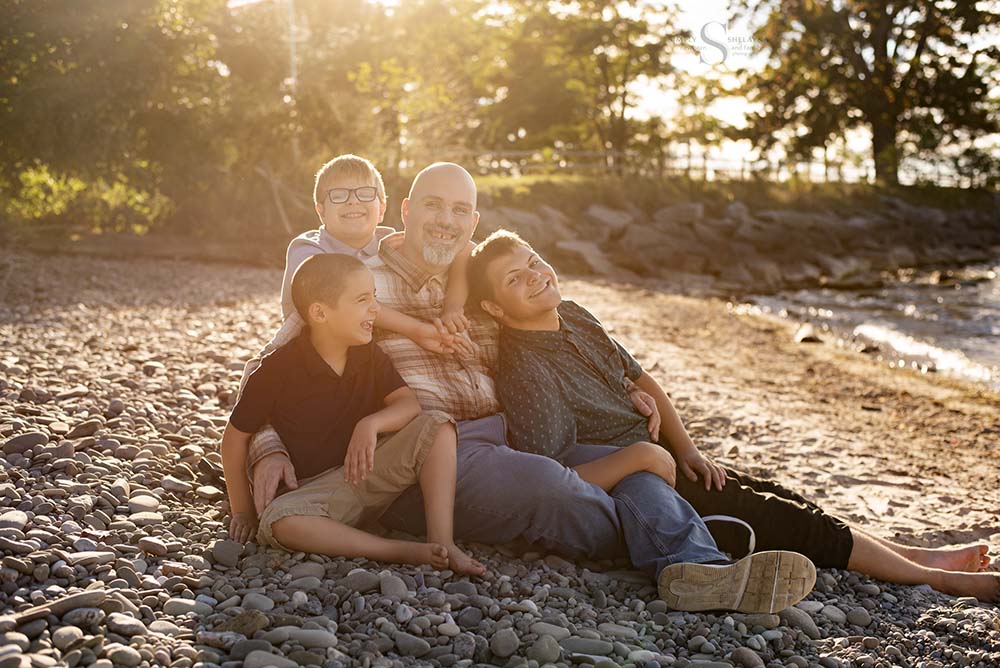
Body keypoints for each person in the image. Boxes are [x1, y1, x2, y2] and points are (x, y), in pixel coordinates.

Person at [240, 162, 814, 613]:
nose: (445, 220)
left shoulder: (483, 288)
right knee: (549, 484)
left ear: (473, 224)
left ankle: (699, 567)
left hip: (512, 441)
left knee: (631, 465)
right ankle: (684, 537)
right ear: (407, 210)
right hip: (430, 454)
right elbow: (278, 358)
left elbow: (547, 344)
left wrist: (619, 390)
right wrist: (270, 447)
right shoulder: (358, 280)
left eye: (459, 211)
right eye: (433, 206)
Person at [466, 228, 999, 603]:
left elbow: (641, 379)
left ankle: (920, 559)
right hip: (643, 479)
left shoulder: (574, 315)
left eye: (534, 261)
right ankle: (942, 583)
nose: (536, 276)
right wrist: (644, 458)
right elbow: (554, 471)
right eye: (514, 279)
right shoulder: (526, 367)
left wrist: (689, 448)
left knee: (784, 497)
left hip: (669, 458)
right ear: (494, 308)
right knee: (782, 521)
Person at [221, 253, 484, 573]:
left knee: (438, 425)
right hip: (315, 495)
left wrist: (371, 424)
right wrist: (242, 513)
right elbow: (234, 439)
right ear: (319, 312)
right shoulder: (277, 369)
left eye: (374, 296)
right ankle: (401, 551)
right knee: (281, 523)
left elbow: (408, 403)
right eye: (362, 300)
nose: (375, 308)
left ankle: (444, 542)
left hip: (367, 473)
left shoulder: (368, 354)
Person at [279, 153, 474, 357]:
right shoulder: (308, 248)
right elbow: (346, 297)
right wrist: (414, 329)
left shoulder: (389, 242)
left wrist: (453, 306)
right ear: (321, 211)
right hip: (309, 352)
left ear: (382, 209)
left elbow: (466, 249)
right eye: (338, 195)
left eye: (365, 194)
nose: (353, 202)